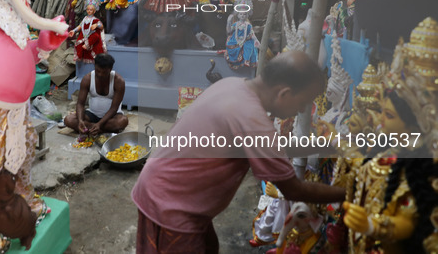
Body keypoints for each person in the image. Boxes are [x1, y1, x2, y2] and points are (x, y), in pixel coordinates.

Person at [131, 50, 346, 253]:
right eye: (303, 102)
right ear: (284, 93)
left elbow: (271, 149)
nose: (301, 110)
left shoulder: (232, 86)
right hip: (171, 204)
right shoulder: (253, 120)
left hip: (161, 186)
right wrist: (350, 194)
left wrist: (326, 146)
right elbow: (293, 190)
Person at [64, 53, 128, 136]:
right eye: (98, 71)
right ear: (94, 66)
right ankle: (98, 129)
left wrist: (99, 124)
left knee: (122, 122)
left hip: (112, 117)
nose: (100, 74)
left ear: (110, 69)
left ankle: (92, 129)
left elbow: (114, 108)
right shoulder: (87, 79)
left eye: (104, 72)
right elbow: (80, 103)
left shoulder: (118, 81)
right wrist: (80, 121)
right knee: (69, 119)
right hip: (92, 115)